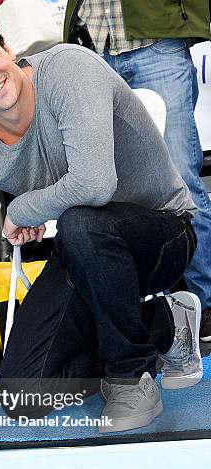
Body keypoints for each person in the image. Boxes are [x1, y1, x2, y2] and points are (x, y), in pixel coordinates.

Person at [0, 16, 204, 433]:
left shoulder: (69, 68)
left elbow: (94, 184)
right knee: (22, 397)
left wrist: (22, 209)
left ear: (8, 50)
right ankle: (165, 322)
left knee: (80, 223)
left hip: (163, 236)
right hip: (85, 257)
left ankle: (130, 377)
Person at [64, 0, 211, 342]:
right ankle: (143, 314)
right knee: (114, 189)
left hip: (157, 40)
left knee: (182, 180)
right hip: (95, 47)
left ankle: (204, 303)